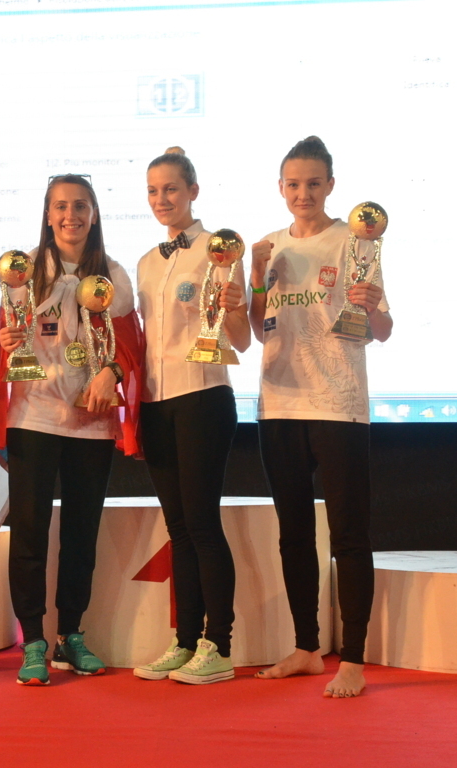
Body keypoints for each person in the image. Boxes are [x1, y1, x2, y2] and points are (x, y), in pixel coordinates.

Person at [248, 136, 393, 698]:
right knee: (293, 535)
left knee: (349, 536)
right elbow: (258, 328)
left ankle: (352, 659)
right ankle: (307, 648)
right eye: (293, 184)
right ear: (280, 187)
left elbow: (383, 330)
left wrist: (372, 306)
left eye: (313, 183)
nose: (302, 193)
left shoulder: (353, 241)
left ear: (330, 184)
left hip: (339, 406)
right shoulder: (270, 246)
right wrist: (255, 277)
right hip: (279, 405)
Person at [0, 174, 144, 686]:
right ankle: (34, 640)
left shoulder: (113, 275)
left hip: (91, 423)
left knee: (81, 536)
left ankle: (70, 635)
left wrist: (111, 371)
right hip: (33, 417)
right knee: (29, 533)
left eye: (80, 206)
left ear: (94, 214)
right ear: (47, 214)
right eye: (60, 206)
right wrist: (5, 341)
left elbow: (131, 345)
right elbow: (1, 342)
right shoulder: (24, 271)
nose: (70, 215)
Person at [132, 148, 251, 685]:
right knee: (178, 528)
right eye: (153, 191)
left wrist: (234, 307)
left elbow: (241, 341)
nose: (162, 199)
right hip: (156, 404)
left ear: (193, 192)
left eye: (172, 189)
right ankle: (184, 642)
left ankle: (218, 645)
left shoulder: (218, 249)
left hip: (203, 396)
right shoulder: (146, 262)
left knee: (202, 524)